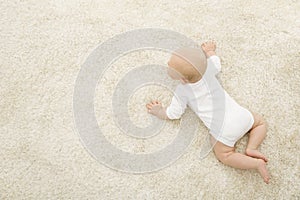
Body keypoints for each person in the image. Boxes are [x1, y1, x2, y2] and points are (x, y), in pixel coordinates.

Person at [146, 41, 270, 183]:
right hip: (241, 116)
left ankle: (256, 163)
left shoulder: (182, 91)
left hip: (224, 130)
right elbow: (216, 62)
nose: (168, 62)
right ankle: (252, 148)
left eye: (170, 64)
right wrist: (210, 51)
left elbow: (173, 114)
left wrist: (159, 111)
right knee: (260, 123)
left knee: (225, 155)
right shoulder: (208, 70)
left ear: (183, 79)